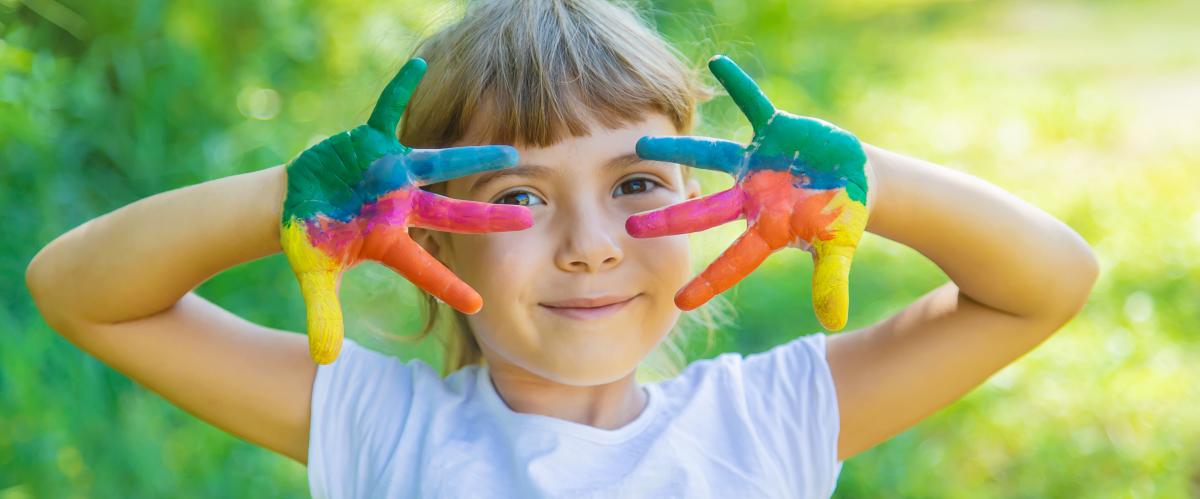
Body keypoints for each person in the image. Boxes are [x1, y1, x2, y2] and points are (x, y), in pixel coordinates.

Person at [24, 0, 1099, 497]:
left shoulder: (766, 417)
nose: (589, 247)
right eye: (520, 198)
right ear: (422, 225)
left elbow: (1047, 282)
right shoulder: (375, 422)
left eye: (635, 185)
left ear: (716, 203)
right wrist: (285, 201)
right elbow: (80, 291)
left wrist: (868, 177)